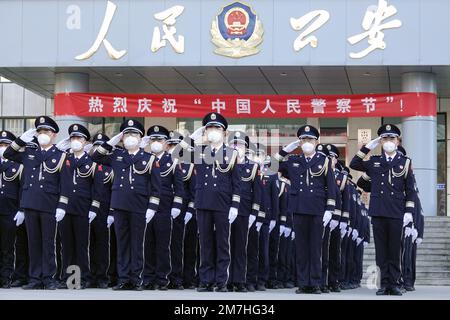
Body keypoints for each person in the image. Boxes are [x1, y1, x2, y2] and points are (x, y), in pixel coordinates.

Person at [174, 112, 240, 292]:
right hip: (202, 202)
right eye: (209, 128)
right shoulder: (199, 151)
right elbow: (176, 153)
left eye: (216, 128)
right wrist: (191, 137)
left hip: (223, 204)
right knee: (205, 243)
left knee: (222, 243)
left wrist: (234, 205)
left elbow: (237, 183)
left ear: (224, 132)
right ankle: (205, 279)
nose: (212, 131)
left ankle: (221, 281)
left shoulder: (232, 154)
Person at [92, 119, 161, 290]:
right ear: (123, 138)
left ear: (140, 138)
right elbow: (95, 156)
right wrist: (113, 141)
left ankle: (136, 279)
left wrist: (152, 207)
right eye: (127, 134)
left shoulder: (149, 159)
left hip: (139, 206)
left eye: (134, 134)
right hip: (120, 204)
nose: (131, 137)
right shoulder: (116, 155)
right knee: (122, 244)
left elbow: (156, 186)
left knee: (137, 244)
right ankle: (123, 278)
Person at [350, 124, 415, 296]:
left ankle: (394, 284)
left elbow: (410, 189)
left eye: (391, 138)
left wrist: (409, 211)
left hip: (396, 211)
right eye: (385, 138)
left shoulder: (405, 162)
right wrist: (368, 146)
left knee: (394, 250)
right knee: (381, 251)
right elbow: (354, 163)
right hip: (378, 211)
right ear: (381, 141)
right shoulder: (374, 161)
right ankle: (383, 284)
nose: (388, 141)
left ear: (397, 141)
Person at [273, 125, 336, 294]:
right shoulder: (294, 161)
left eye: (310, 140)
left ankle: (315, 282)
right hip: (299, 208)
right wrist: (286, 150)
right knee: (301, 248)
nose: (307, 142)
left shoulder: (324, 161)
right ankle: (303, 283)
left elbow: (331, 186)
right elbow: (269, 166)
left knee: (315, 248)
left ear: (316, 142)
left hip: (317, 209)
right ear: (299, 142)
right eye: (304, 140)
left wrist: (330, 208)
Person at [4, 116, 65, 290]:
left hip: (49, 204)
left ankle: (49, 277)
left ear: (53, 135)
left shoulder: (60, 156)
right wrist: (21, 139)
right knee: (34, 242)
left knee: (48, 242)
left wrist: (62, 205)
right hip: (30, 203)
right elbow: (9, 153)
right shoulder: (30, 152)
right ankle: (35, 278)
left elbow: (65, 184)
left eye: (46, 131)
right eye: (39, 131)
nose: (42, 134)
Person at [143, 125, 183, 290]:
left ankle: (162, 278)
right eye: (153, 139)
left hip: (165, 207)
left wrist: (177, 205)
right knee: (147, 244)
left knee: (163, 245)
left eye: (159, 139)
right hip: (146, 206)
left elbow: (179, 187)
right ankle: (148, 278)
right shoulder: (144, 158)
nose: (156, 142)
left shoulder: (173, 161)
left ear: (166, 143)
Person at [227, 131, 260, 292]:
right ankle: (225, 279)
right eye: (233, 144)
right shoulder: (223, 164)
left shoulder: (253, 167)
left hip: (244, 212)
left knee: (241, 248)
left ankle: (239, 280)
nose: (236, 147)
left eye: (239, 144)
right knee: (224, 246)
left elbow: (257, 193)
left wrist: (254, 213)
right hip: (225, 212)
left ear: (246, 147)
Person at [0, 131, 24, 288]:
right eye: (0, 145)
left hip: (10, 210)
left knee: (7, 247)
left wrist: (21, 209)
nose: (2, 148)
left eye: (6, 145)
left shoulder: (18, 166)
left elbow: (22, 189)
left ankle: (5, 277)